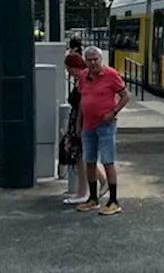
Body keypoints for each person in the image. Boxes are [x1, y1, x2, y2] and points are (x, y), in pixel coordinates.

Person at [76, 45, 129, 215]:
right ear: (85, 61)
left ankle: (113, 201)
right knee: (89, 161)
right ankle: (93, 198)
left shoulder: (111, 75)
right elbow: (82, 100)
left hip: (105, 125)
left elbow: (125, 96)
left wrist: (113, 112)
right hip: (87, 125)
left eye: (95, 59)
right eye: (89, 60)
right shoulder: (84, 76)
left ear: (101, 59)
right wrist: (79, 122)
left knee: (107, 161)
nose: (93, 63)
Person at [60, 50, 106, 205]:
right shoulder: (85, 78)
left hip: (81, 122)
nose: (68, 72)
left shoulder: (83, 79)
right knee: (85, 155)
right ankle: (101, 181)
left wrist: (79, 124)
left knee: (81, 156)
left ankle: (83, 192)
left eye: (68, 68)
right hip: (82, 121)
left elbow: (81, 103)